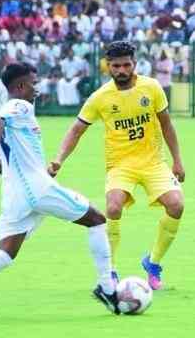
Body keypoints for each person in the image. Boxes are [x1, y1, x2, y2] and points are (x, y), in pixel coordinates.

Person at [0, 64, 121, 319]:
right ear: (20, 86)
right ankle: (107, 288)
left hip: (17, 196)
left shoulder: (17, 116)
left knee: (5, 254)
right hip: (37, 190)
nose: (37, 89)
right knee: (97, 220)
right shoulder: (19, 106)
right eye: (34, 83)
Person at [48, 41, 185, 291]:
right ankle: (110, 271)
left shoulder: (152, 87)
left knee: (176, 205)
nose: (121, 70)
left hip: (154, 162)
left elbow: (166, 124)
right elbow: (76, 130)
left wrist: (177, 160)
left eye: (126, 65)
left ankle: (153, 263)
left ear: (134, 64)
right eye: (116, 66)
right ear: (107, 67)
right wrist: (58, 159)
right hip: (120, 165)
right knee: (112, 207)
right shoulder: (100, 97)